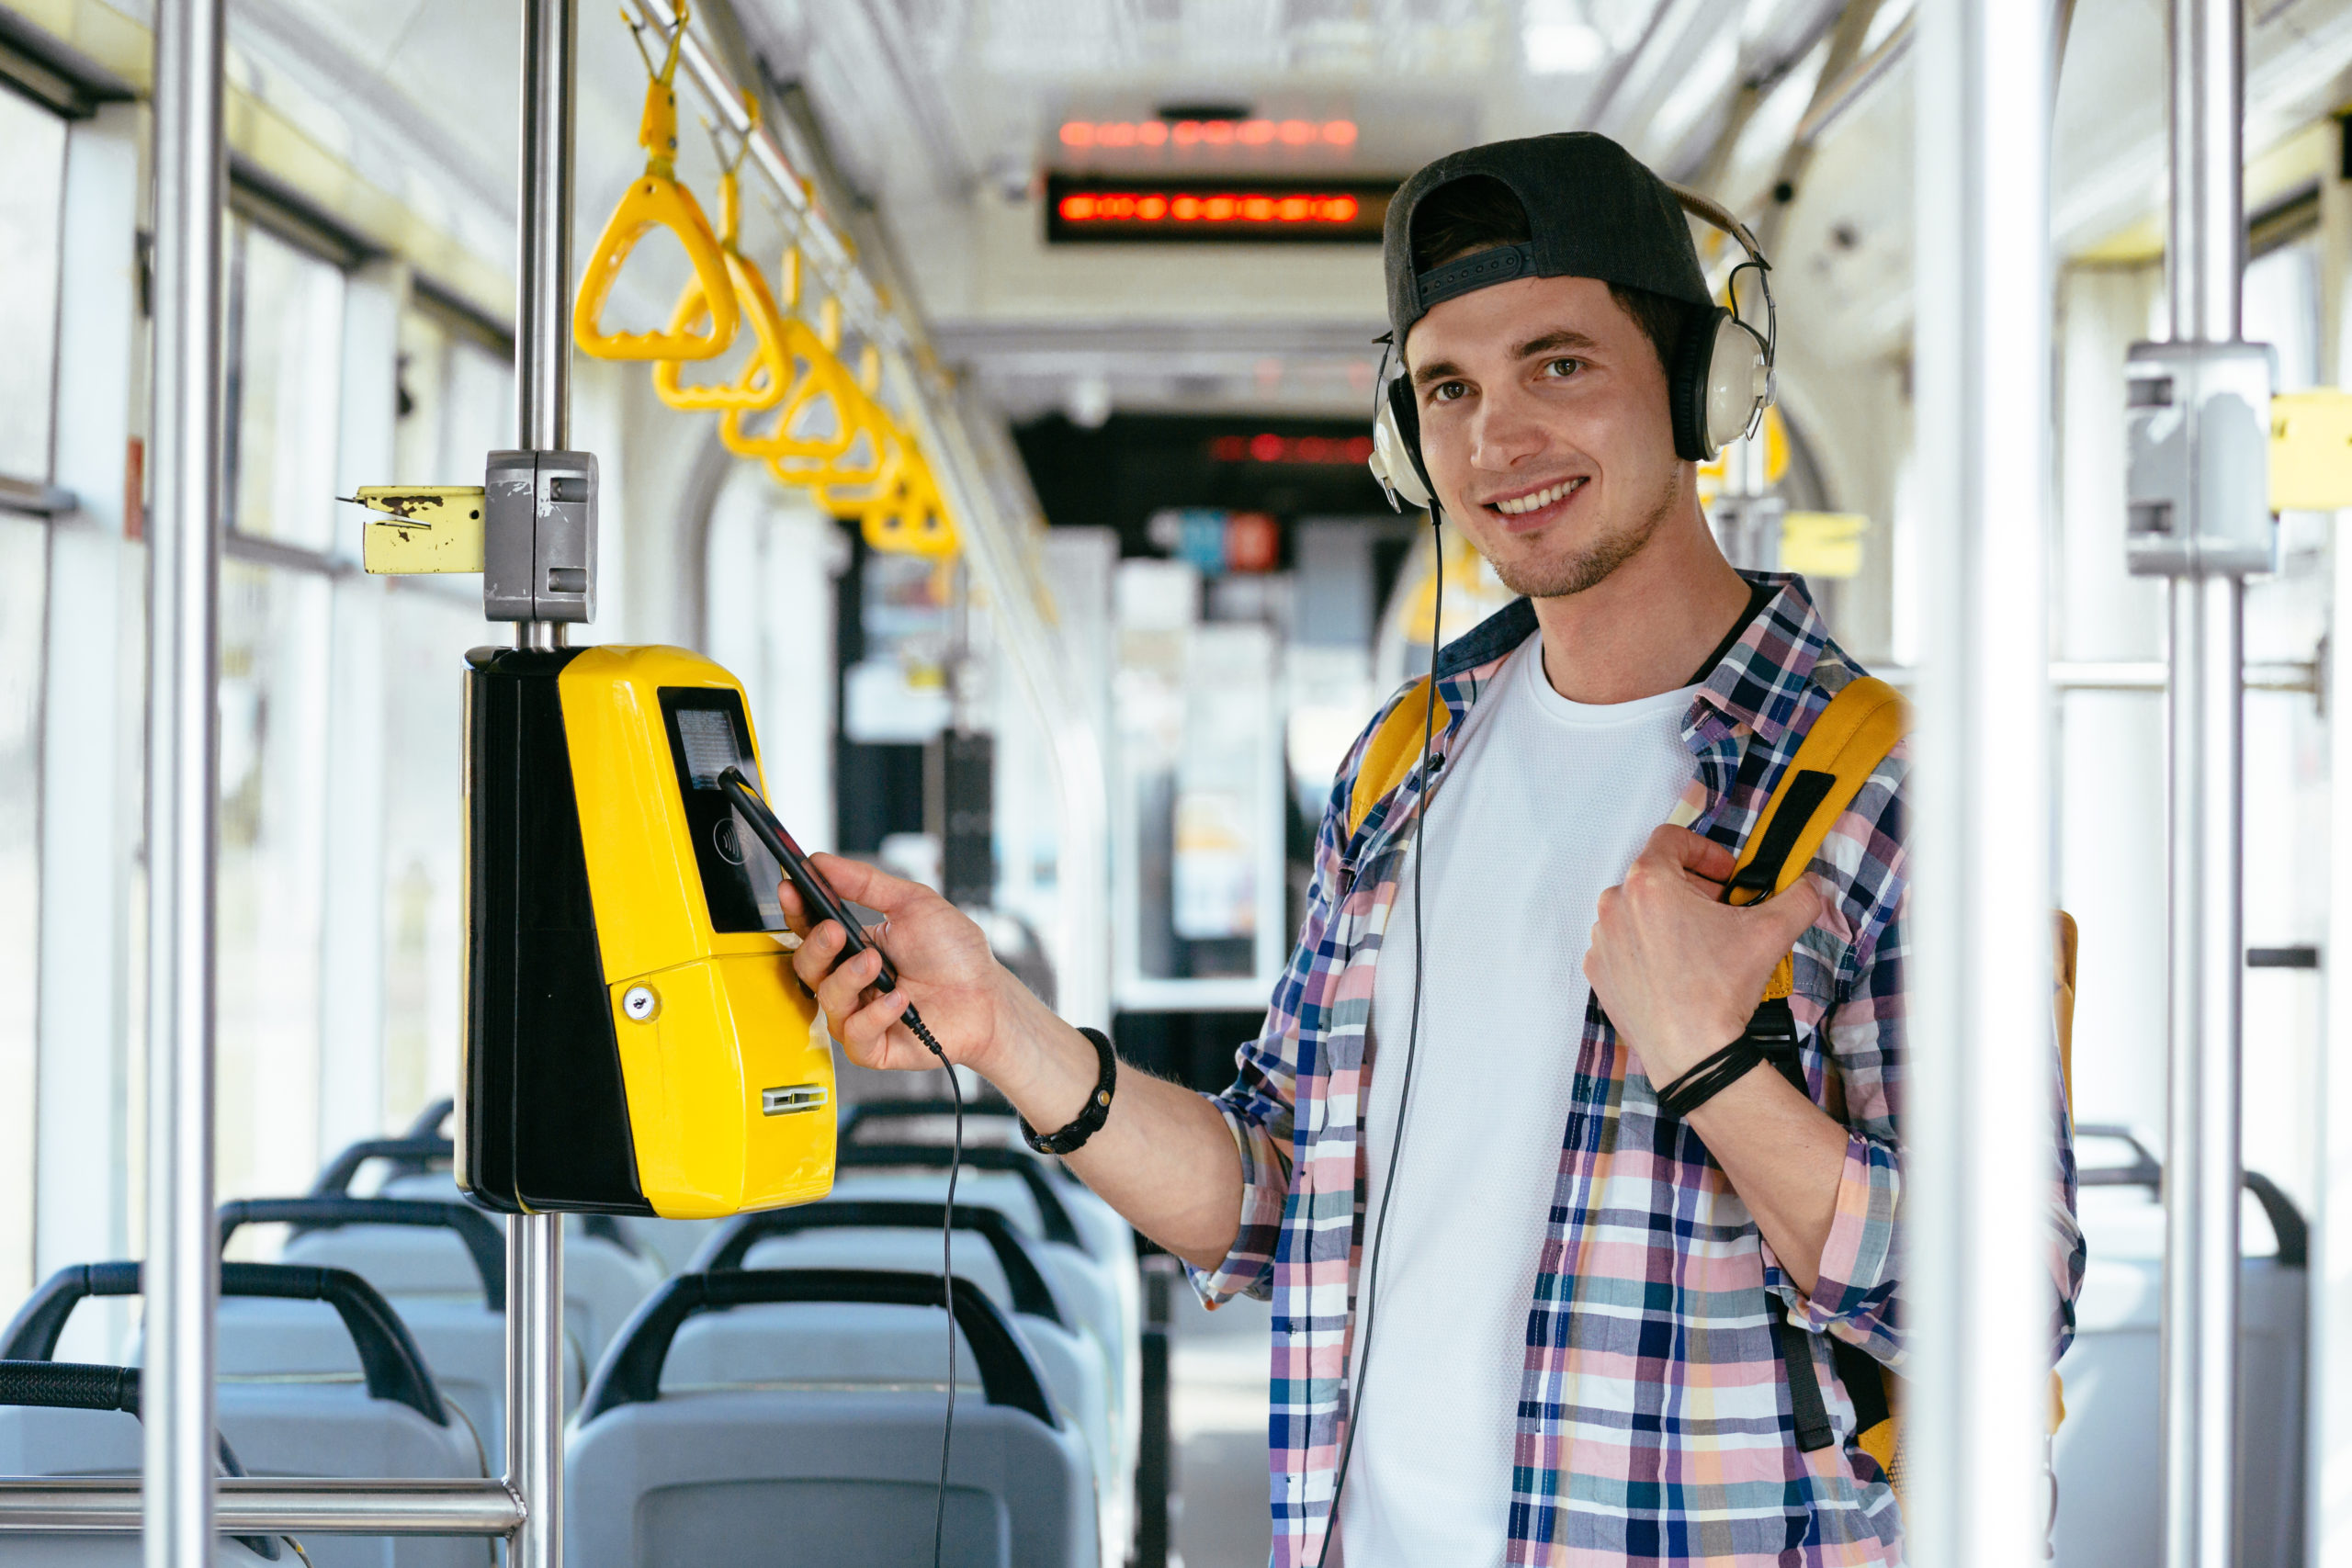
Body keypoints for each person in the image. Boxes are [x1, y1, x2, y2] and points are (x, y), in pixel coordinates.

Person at [781, 131, 2086, 1567]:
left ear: (1702, 386)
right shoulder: (1408, 761)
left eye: (1561, 365)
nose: (1495, 440)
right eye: (1447, 389)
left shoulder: (1888, 793)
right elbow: (1271, 1196)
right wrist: (1001, 1027)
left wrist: (1712, 1066)